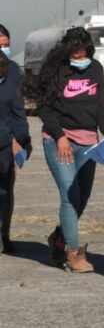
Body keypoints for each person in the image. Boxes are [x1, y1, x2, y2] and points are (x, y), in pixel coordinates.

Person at [26, 28, 104, 272]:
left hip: (88, 141)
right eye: (75, 56)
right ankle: (74, 254)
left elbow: (100, 105)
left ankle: (58, 239)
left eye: (83, 54)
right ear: (67, 52)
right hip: (59, 140)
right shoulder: (56, 69)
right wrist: (59, 136)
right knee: (69, 195)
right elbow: (44, 107)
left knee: (82, 198)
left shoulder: (95, 68)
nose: (79, 60)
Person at [0, 49, 32, 256]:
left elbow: (18, 116)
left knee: (4, 193)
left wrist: (24, 141)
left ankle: (4, 235)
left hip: (3, 148)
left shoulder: (9, 88)